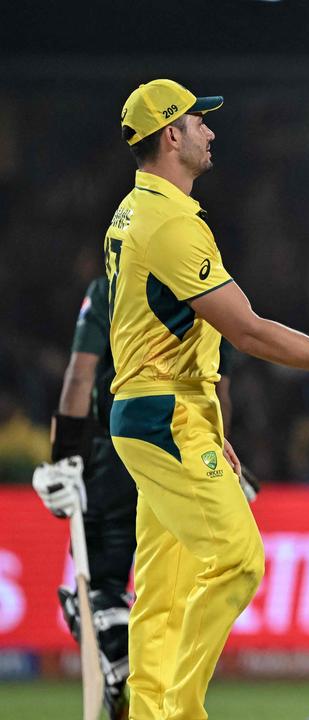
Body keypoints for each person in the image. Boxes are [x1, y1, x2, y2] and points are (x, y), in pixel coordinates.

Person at [106, 78, 309, 720]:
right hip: (164, 414)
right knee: (237, 562)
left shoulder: (133, 212)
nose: (210, 130)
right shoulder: (169, 224)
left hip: (160, 410)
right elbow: (249, 330)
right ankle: (180, 709)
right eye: (198, 121)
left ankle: (150, 711)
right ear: (170, 135)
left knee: (163, 591)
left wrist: (208, 422)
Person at [30, 276, 254, 720]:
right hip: (180, 444)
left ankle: (122, 667)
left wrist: (63, 458)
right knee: (170, 587)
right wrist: (215, 445)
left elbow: (80, 373)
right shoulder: (207, 284)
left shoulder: (108, 288)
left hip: (112, 452)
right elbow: (218, 389)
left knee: (101, 591)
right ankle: (155, 688)